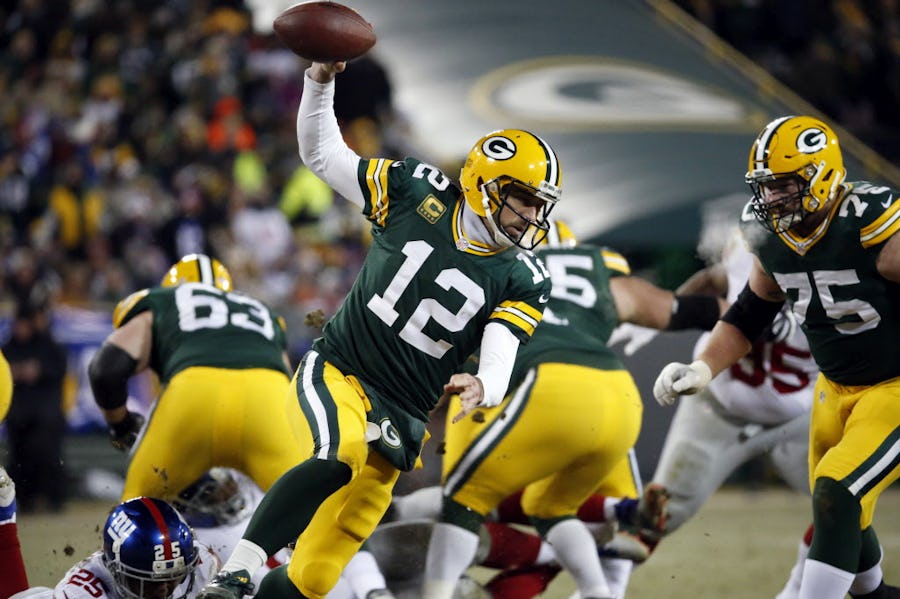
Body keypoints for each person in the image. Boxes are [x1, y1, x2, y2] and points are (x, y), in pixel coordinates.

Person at [198, 57, 561, 599]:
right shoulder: (416, 193)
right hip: (341, 371)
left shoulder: (523, 276)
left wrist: (486, 384)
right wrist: (320, 81)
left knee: (313, 578)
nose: (532, 216)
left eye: (540, 205)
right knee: (337, 455)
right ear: (486, 185)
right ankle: (236, 572)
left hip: (403, 419)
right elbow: (323, 155)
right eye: (524, 200)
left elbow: (501, 350)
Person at [653, 114, 900, 599]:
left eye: (784, 185)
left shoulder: (872, 223)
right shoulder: (772, 236)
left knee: (837, 490)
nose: (772, 198)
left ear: (823, 176)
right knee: (839, 511)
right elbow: (750, 312)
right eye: (766, 186)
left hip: (892, 387)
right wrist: (703, 368)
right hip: (833, 389)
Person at [421, 219, 726, 599]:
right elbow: (676, 309)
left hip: (544, 391)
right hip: (618, 395)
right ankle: (615, 542)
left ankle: (446, 589)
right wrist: (750, 316)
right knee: (550, 507)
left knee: (463, 501)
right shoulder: (595, 268)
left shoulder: (496, 266)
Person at [610, 225, 819, 598]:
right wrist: (664, 314)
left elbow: (754, 320)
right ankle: (595, 588)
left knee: (844, 507)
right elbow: (716, 284)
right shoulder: (755, 245)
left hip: (801, 415)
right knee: (657, 515)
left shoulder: (845, 266)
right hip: (719, 406)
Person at [87, 253, 305, 502]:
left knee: (139, 508)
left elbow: (106, 370)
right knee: (312, 512)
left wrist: (122, 425)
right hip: (268, 399)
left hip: (193, 395)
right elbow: (292, 388)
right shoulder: (261, 311)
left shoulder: (163, 300)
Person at [9, 496, 218, 599]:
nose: (164, 590)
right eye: (150, 582)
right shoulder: (82, 593)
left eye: (173, 577)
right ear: (115, 570)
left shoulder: (201, 564)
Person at [3, 301, 68, 513]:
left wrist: (37, 371)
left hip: (46, 417)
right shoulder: (9, 348)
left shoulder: (50, 346)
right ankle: (24, 500)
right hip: (18, 415)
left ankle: (53, 498)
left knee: (47, 455)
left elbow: (57, 370)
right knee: (19, 459)